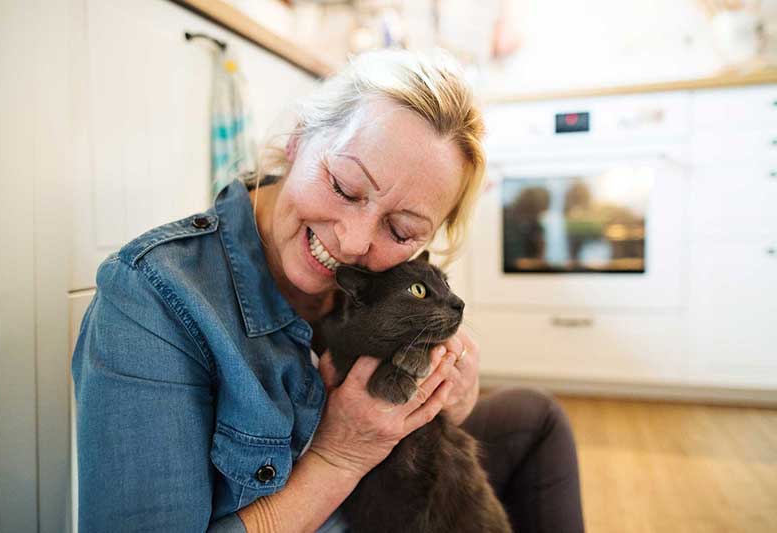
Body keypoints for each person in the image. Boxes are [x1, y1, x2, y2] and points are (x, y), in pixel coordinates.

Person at [72, 49, 584, 533]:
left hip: (383, 502)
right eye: (343, 187)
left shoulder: (387, 279)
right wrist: (341, 455)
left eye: (402, 231)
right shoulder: (153, 297)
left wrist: (446, 398)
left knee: (536, 416)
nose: (354, 241)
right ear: (298, 141)